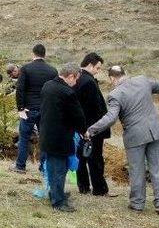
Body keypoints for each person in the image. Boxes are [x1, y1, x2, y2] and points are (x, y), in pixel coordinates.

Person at [85, 65, 159, 214]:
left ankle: (137, 204)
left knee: (137, 170)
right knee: (157, 168)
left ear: (112, 78)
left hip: (135, 136)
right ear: (125, 73)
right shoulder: (142, 80)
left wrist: (91, 130)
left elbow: (111, 118)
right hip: (154, 131)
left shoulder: (115, 95)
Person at [39, 62, 86, 212]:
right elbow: (78, 116)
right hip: (61, 138)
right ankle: (58, 202)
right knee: (59, 170)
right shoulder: (67, 92)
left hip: (47, 134)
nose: (76, 82)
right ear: (71, 76)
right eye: (76, 79)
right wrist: (84, 131)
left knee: (55, 168)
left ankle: (56, 194)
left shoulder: (47, 85)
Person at [10, 44, 58, 173]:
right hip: (46, 110)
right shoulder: (53, 71)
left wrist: (20, 107)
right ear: (45, 54)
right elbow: (55, 91)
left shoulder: (26, 69)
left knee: (24, 137)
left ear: (33, 54)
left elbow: (20, 89)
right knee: (44, 139)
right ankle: (43, 168)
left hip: (28, 110)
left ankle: (20, 166)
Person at [75, 53, 113, 196]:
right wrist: (98, 127)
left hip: (81, 126)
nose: (98, 71)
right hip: (92, 127)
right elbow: (95, 108)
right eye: (97, 68)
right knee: (95, 158)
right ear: (90, 65)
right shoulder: (88, 81)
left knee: (81, 157)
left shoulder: (77, 77)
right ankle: (100, 189)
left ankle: (83, 187)